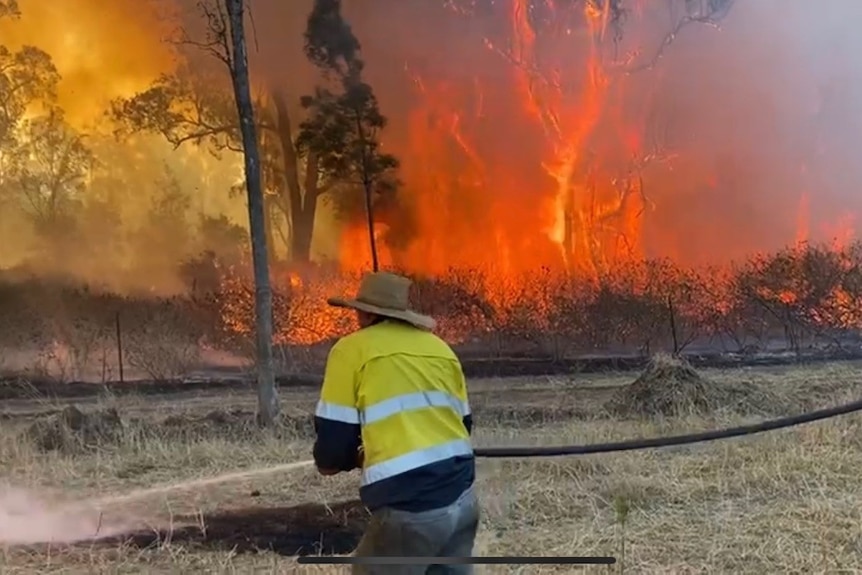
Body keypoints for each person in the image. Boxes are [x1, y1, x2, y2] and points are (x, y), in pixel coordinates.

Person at [312, 271, 479, 575]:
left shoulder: (352, 350)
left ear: (363, 312)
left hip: (411, 506)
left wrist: (337, 460)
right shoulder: (441, 350)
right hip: (463, 499)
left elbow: (333, 446)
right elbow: (462, 425)